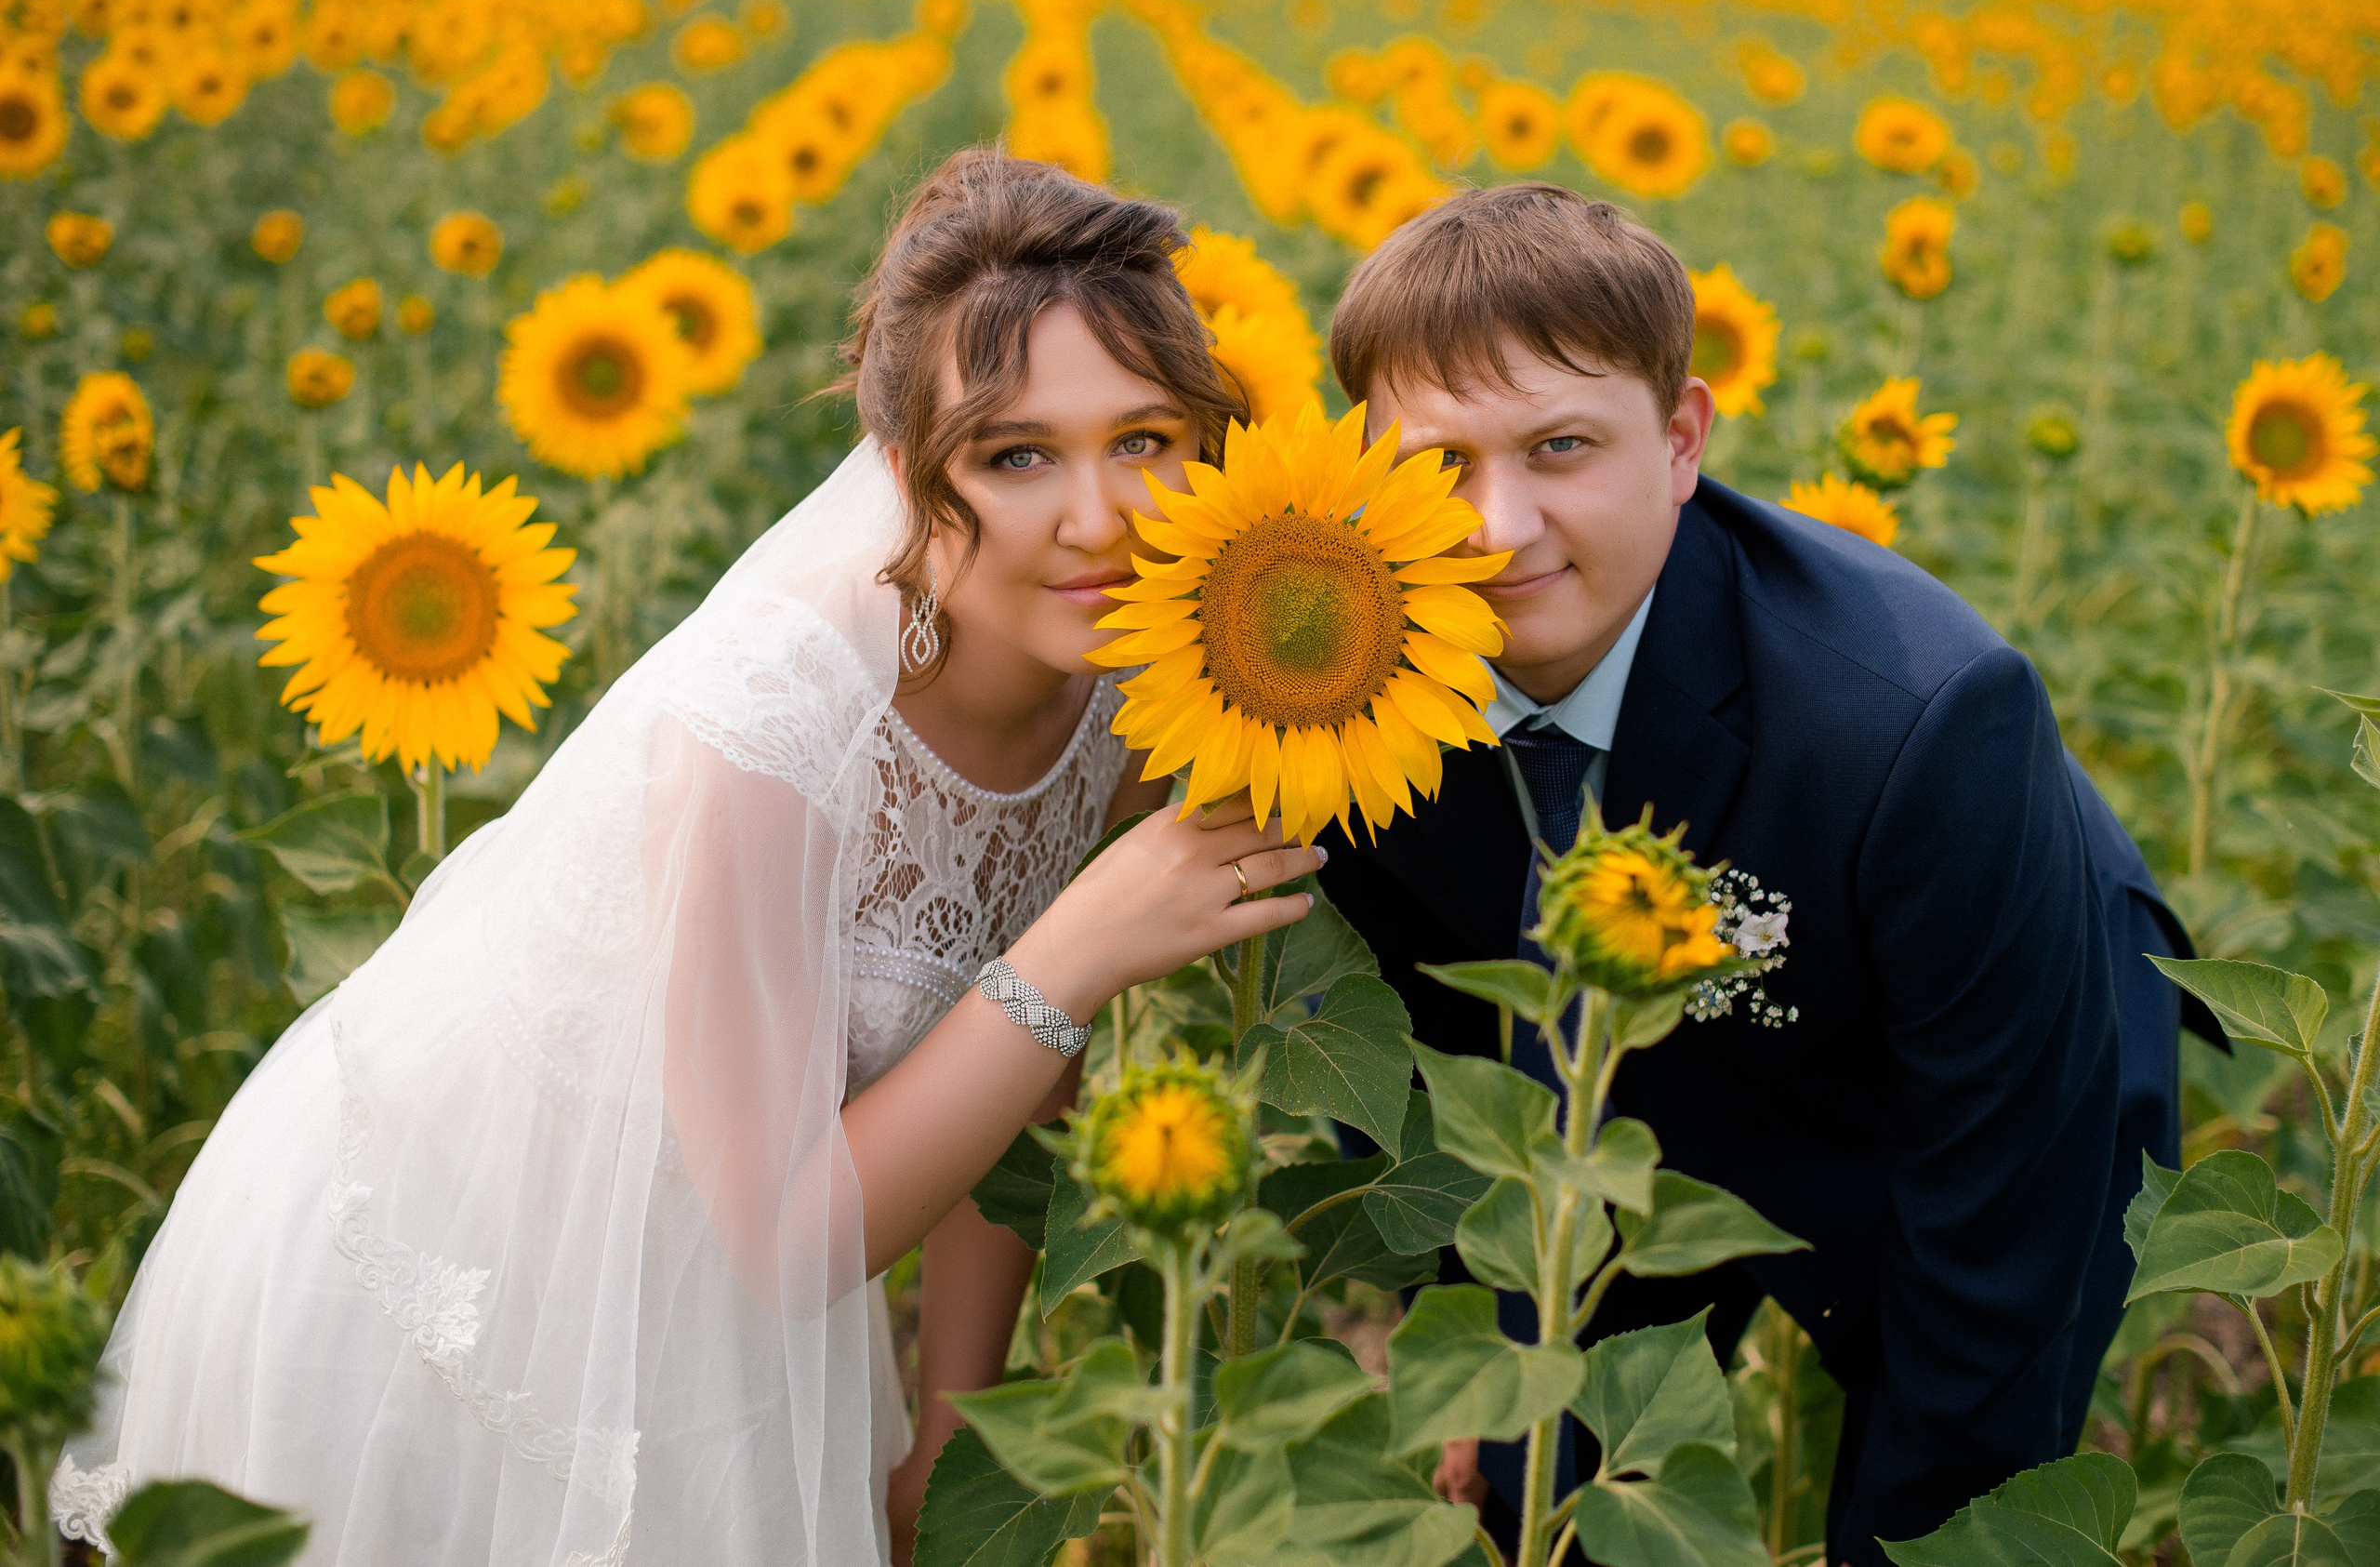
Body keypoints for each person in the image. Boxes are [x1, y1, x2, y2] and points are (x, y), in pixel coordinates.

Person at [54, 149, 1325, 1567]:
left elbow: (1020, 1063)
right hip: (455, 1278)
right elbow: (788, 1238)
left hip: (711, 1260)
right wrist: (1085, 939)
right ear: (906, 469)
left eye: (1144, 439)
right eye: (1016, 454)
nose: (1101, 518)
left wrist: (956, 1426)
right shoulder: (772, 725)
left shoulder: (1132, 660)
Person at [1314, 182, 2213, 1567]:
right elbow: (1441, 1035)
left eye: (1561, 446)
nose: (1496, 529)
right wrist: (1485, 1362)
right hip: (1617, 1087)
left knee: (1946, 1486)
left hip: (1971, 1086)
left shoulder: (1917, 721)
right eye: (1436, 466)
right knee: (1546, 1491)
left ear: (1681, 440)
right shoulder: (1359, 696)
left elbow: (1996, 1242)